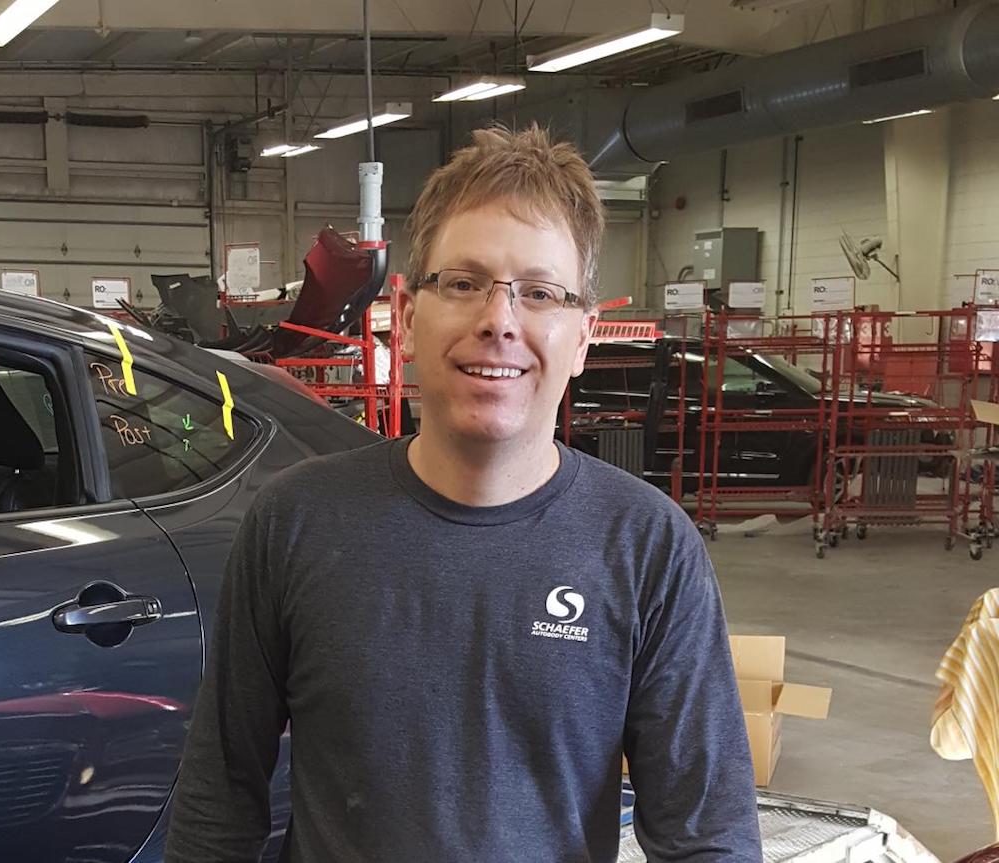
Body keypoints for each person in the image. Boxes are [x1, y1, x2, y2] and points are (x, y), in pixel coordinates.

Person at [164, 125, 762, 862]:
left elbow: (710, 838)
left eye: (539, 292)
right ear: (410, 317)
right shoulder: (296, 522)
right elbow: (217, 801)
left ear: (582, 336)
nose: (498, 320)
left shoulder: (646, 548)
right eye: (465, 282)